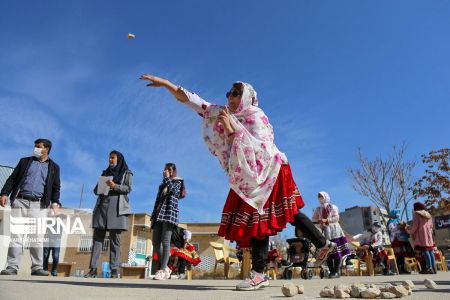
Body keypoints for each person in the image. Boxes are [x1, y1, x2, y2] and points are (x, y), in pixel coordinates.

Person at [140, 75, 335, 290]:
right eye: (228, 93)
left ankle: (259, 273)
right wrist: (167, 85)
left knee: (264, 214)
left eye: (235, 93)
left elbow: (258, 148)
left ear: (247, 97)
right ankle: (322, 243)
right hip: (249, 175)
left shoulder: (256, 117)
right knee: (282, 214)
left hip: (270, 169)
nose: (230, 97)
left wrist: (231, 129)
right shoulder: (225, 113)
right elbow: (195, 102)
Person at [0, 138, 61, 276]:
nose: (35, 149)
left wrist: (55, 203)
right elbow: (12, 179)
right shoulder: (25, 161)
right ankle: (12, 266)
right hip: (20, 201)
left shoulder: (54, 167)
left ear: (47, 149)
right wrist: (4, 193)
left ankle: (37, 267)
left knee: (37, 237)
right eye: (35, 146)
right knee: (17, 236)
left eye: (39, 147)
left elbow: (56, 187)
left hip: (39, 205)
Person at [85, 150, 132, 278]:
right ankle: (93, 269)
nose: (110, 160)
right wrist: (101, 185)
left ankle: (114, 270)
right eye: (109, 158)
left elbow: (128, 188)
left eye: (113, 158)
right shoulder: (104, 173)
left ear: (119, 159)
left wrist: (114, 186)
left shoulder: (126, 172)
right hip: (102, 205)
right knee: (97, 239)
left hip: (117, 207)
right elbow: (95, 191)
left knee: (115, 241)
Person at [150, 163, 185, 280]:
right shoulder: (162, 185)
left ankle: (162, 269)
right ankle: (166, 267)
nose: (165, 171)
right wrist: (153, 215)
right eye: (165, 169)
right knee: (155, 243)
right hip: (159, 215)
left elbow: (174, 192)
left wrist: (167, 178)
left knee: (165, 242)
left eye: (168, 169)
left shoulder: (178, 181)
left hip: (169, 214)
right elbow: (158, 201)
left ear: (173, 171)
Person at [311, 191, 350, 278]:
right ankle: (331, 271)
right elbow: (313, 219)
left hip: (334, 231)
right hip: (325, 231)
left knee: (337, 251)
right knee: (326, 252)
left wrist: (326, 220)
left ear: (326, 197)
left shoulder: (333, 207)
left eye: (321, 196)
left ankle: (336, 271)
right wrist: (318, 222)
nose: (320, 198)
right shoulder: (318, 209)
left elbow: (336, 218)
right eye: (319, 197)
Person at [406, 202, 436, 274]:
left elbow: (415, 225)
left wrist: (409, 230)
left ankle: (429, 268)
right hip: (429, 234)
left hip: (421, 234)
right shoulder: (428, 214)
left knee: (425, 251)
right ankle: (434, 268)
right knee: (430, 251)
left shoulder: (416, 214)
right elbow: (431, 225)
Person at [386, 209, 414, 274]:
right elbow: (391, 229)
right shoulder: (391, 221)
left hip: (403, 239)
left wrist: (404, 226)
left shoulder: (399, 220)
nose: (398, 214)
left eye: (399, 212)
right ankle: (398, 269)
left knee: (403, 255)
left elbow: (405, 227)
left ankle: (403, 268)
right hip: (396, 240)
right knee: (398, 255)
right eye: (397, 213)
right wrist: (399, 226)